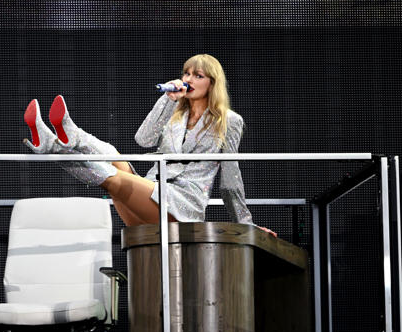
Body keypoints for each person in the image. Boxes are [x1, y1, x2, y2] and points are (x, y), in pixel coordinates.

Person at [23, 54, 275, 236]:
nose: (188, 79)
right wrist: (168, 99)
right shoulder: (174, 114)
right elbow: (143, 139)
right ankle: (68, 136)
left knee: (113, 179)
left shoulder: (229, 121)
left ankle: (56, 147)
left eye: (198, 75)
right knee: (112, 154)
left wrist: (245, 222)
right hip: (154, 191)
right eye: (186, 73)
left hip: (181, 206)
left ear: (212, 83)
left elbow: (231, 180)